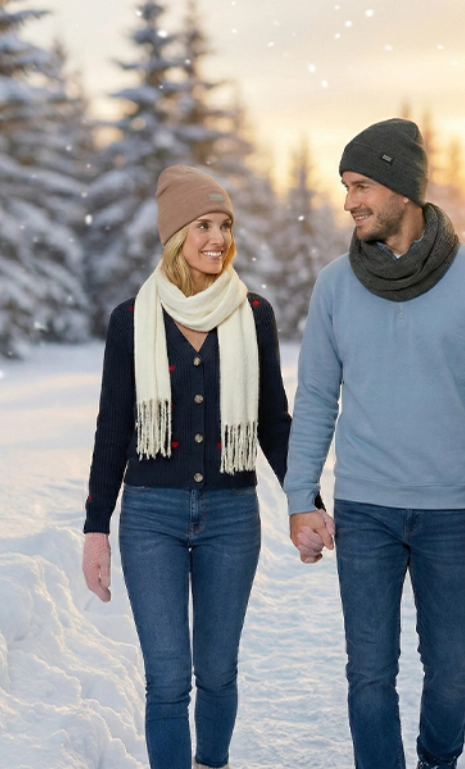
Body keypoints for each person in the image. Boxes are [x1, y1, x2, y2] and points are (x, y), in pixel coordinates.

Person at [284, 118, 465, 769]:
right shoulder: (336, 285)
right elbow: (314, 397)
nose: (350, 200)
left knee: (450, 668)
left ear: (401, 188)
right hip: (363, 509)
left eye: (361, 184)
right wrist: (300, 497)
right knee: (369, 671)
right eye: (345, 185)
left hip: (452, 512)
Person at [82, 165, 292, 769]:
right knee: (169, 679)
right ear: (176, 234)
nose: (217, 238)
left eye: (225, 225)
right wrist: (96, 527)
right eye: (203, 224)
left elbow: (273, 421)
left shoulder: (253, 314)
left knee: (218, 672)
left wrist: (305, 500)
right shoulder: (132, 319)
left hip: (231, 514)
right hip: (150, 515)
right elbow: (113, 428)